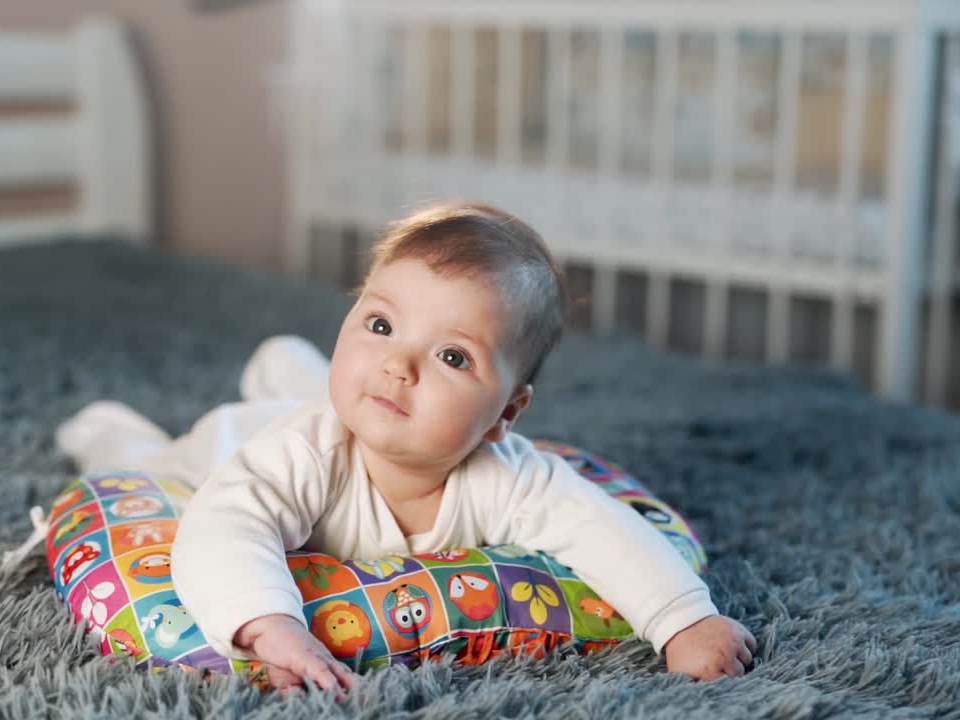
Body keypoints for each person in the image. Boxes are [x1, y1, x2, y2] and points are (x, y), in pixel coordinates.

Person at [55, 201, 757, 694]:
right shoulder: (300, 455)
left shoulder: (509, 476)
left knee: (355, 390)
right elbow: (224, 526)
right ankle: (107, 427)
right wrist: (270, 626)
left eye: (452, 357)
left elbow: (604, 528)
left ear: (504, 414)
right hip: (228, 445)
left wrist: (684, 621)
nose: (401, 364)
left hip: (338, 412)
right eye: (380, 324)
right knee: (147, 461)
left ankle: (286, 365)